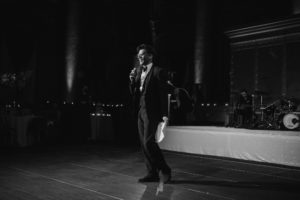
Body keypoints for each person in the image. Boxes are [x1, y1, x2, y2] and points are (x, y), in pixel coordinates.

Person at [129, 44, 171, 183]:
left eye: (142, 54)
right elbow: (135, 92)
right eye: (138, 55)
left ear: (150, 55)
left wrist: (165, 114)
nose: (139, 57)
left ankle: (164, 169)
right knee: (143, 143)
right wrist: (132, 81)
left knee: (149, 142)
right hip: (141, 111)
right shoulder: (139, 71)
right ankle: (152, 173)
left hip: (152, 112)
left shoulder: (158, 71)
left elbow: (163, 94)